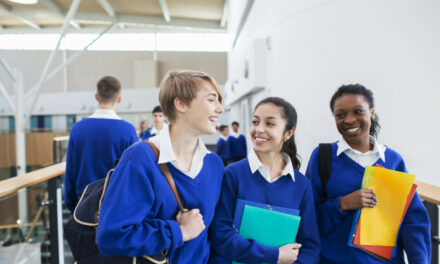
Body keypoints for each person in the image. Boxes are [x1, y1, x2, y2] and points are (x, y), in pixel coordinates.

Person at [96, 70, 225, 263]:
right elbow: (111, 236)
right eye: (211, 100)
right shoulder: (140, 157)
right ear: (181, 104)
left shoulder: (214, 165)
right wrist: (179, 232)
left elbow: (214, 236)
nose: (220, 109)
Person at [305, 84, 431, 263]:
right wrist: (342, 204)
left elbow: (413, 221)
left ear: (371, 113)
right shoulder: (322, 157)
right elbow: (308, 221)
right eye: (340, 115)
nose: (349, 120)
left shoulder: (393, 161)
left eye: (358, 111)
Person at [210, 97, 320, 264]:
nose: (259, 129)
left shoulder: (301, 185)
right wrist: (274, 256)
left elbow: (310, 245)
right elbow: (220, 235)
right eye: (255, 122)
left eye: (270, 124)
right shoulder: (231, 175)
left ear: (288, 133)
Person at [64, 76, 138, 213]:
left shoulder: (78, 129)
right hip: (115, 205)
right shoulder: (127, 130)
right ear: (119, 99)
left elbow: (71, 170)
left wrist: (71, 204)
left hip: (83, 203)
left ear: (96, 96)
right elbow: (133, 173)